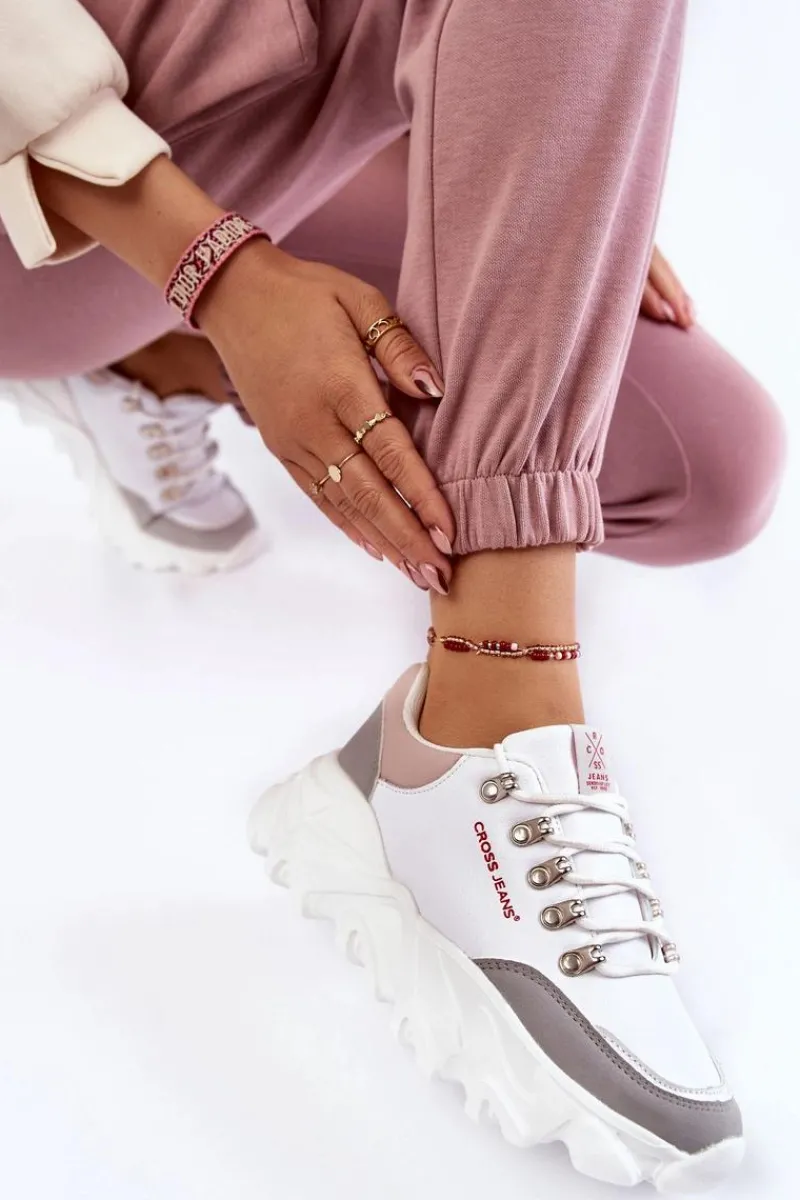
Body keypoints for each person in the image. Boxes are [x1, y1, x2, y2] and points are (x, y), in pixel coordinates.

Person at [0, 0, 785, 1190]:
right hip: (49, 161)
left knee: (705, 470)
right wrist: (214, 269)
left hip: (278, 96)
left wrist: (549, 167)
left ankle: (158, 361)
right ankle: (483, 717)